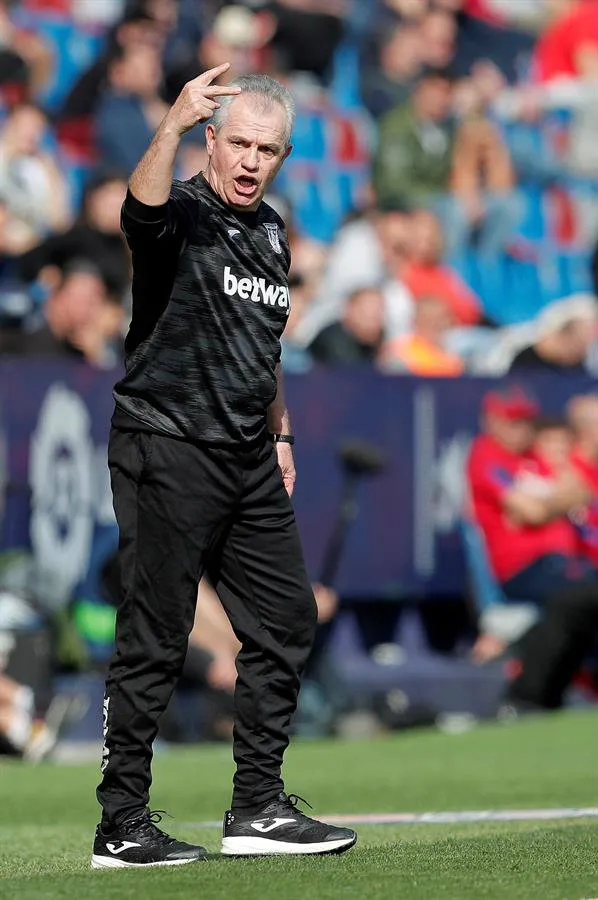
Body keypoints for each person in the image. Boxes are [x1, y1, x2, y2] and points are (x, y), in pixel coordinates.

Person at [91, 65, 357, 869]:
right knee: (157, 635)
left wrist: (279, 434)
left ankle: (258, 809)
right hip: (166, 441)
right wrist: (167, 125)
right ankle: (121, 823)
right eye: (237, 142)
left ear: (281, 157)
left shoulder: (273, 232)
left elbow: (262, 345)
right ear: (212, 140)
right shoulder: (180, 212)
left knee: (285, 620)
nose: (249, 160)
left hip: (247, 453)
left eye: (266, 149)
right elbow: (137, 206)